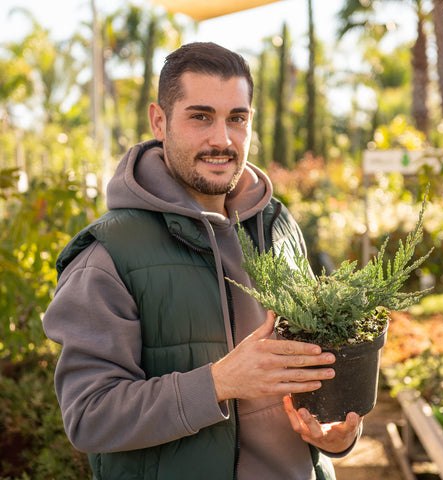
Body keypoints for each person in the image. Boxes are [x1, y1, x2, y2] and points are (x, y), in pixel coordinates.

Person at [43, 42, 362, 480]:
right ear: (159, 121)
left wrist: (336, 435)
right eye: (200, 116)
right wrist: (218, 383)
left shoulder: (279, 226)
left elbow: (318, 365)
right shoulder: (107, 255)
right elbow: (89, 416)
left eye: (237, 118)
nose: (222, 139)